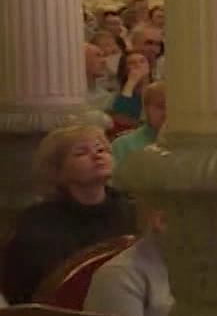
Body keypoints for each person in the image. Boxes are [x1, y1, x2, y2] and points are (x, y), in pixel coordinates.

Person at [3, 125, 137, 306]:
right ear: (57, 170)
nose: (97, 156)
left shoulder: (133, 211)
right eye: (81, 153)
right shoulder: (37, 223)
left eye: (101, 149)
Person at [110, 81, 166, 170]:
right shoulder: (123, 145)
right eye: (161, 106)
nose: (167, 113)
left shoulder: (188, 145)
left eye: (173, 107)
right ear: (147, 109)